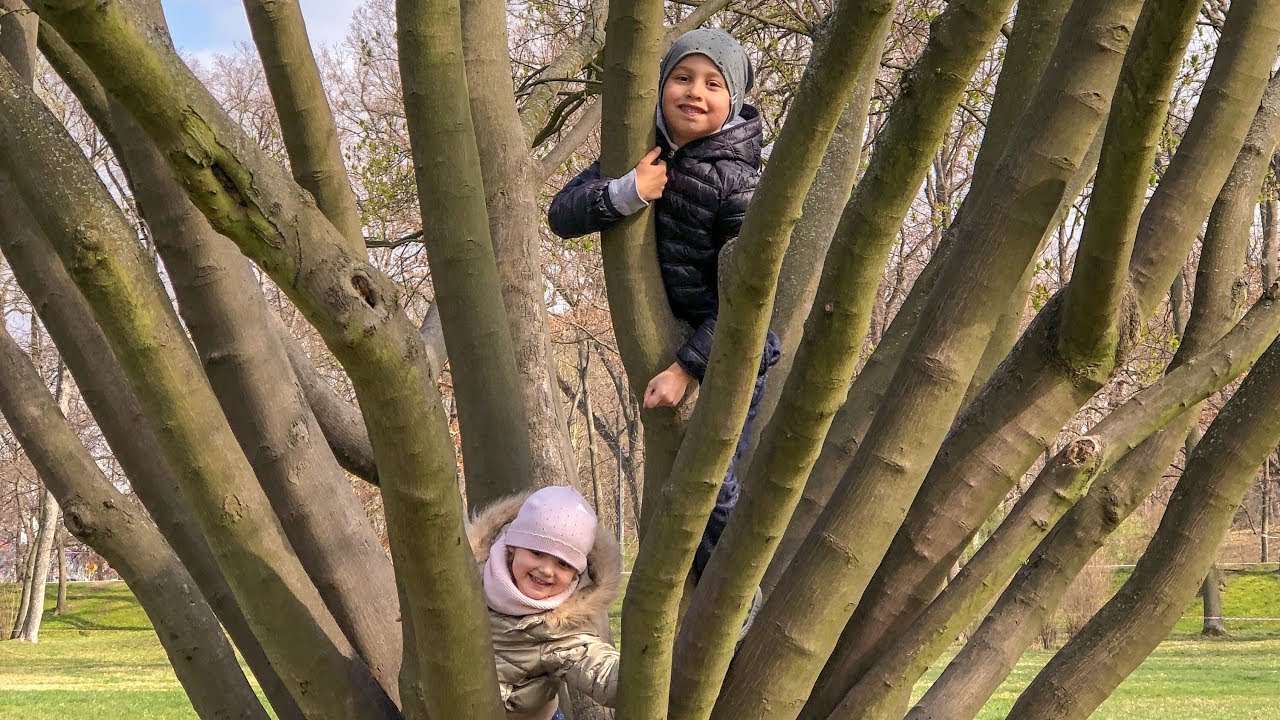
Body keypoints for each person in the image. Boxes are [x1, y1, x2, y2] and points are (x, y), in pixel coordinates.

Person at [548, 28, 780, 579]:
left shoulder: (739, 181)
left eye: (713, 84)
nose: (695, 92)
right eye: (682, 77)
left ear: (734, 100)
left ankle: (736, 587)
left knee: (711, 477)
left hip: (728, 348)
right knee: (685, 488)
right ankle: (708, 583)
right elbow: (561, 215)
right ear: (660, 87)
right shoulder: (641, 153)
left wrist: (684, 369)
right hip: (675, 331)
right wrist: (628, 189)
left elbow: (749, 310)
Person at [470, 485, 621, 720]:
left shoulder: (560, 627)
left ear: (576, 575)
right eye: (537, 553)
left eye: (563, 564)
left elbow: (598, 667)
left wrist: (644, 673)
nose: (547, 570)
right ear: (512, 546)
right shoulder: (467, 581)